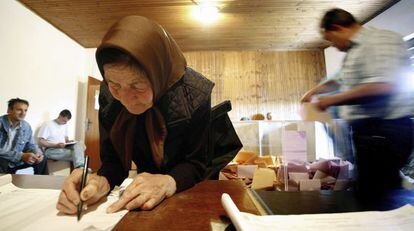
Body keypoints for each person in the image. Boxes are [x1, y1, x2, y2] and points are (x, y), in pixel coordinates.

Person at [57, 15, 218, 214]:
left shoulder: (195, 94)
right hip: (146, 197)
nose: (125, 100)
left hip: (192, 190)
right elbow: (113, 161)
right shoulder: (109, 96)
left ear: (157, 74)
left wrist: (169, 181)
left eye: (138, 86)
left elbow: (196, 163)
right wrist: (100, 181)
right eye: (115, 85)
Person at [301, 8, 414, 194]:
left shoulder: (377, 41)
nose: (334, 46)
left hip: (385, 130)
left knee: (376, 194)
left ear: (338, 28)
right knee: (373, 190)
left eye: (331, 39)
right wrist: (313, 92)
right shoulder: (353, 52)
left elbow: (383, 86)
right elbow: (340, 79)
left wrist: (330, 101)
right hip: (369, 133)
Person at [0, 98, 48, 174]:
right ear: (9, 110)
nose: (23, 113)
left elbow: (31, 145)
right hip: (3, 159)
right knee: (2, 161)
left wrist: (38, 154)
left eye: (25, 110)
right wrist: (21, 156)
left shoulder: (26, 126)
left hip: (16, 161)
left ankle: (41, 184)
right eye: (19, 110)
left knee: (43, 159)